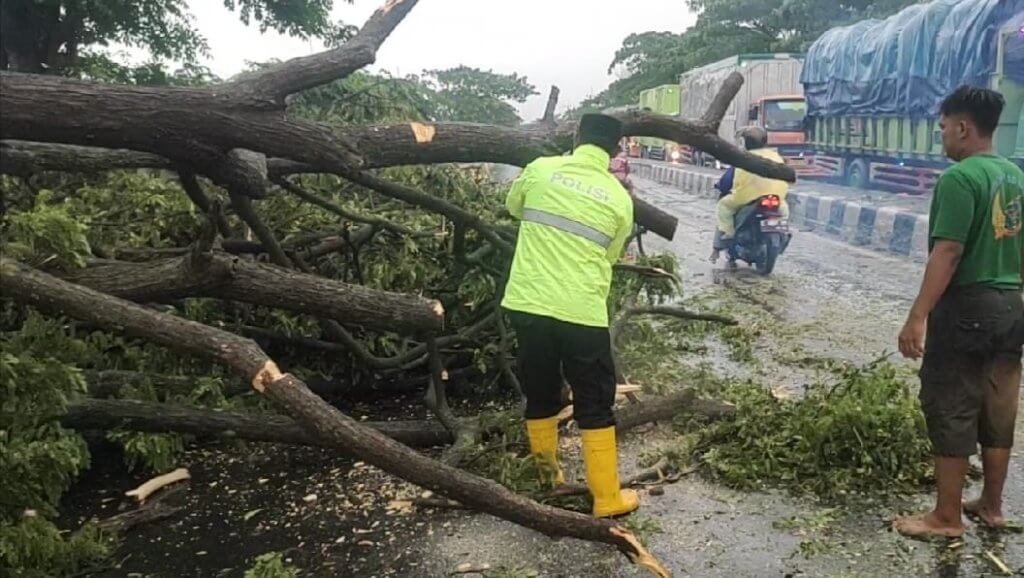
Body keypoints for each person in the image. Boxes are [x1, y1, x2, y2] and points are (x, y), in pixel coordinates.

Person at [895, 85, 1024, 538]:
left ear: (964, 127)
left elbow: (948, 252)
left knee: (951, 402)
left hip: (968, 306)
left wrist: (918, 316)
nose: (943, 136)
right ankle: (991, 506)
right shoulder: (1016, 177)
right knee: (998, 403)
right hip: (1011, 305)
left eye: (944, 128)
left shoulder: (960, 178)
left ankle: (946, 518)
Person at [502, 113, 638, 518]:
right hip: (582, 313)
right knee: (594, 401)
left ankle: (547, 479)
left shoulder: (541, 170)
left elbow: (513, 207)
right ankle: (607, 499)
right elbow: (610, 256)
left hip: (529, 304)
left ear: (577, 137)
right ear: (615, 151)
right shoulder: (619, 199)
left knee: (541, 390)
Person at [709, 127, 790, 264]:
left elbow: (726, 182)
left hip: (746, 198)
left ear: (746, 143)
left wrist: (720, 186)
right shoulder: (777, 158)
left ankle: (726, 237)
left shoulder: (742, 159)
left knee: (723, 206)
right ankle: (783, 233)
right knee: (784, 211)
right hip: (775, 198)